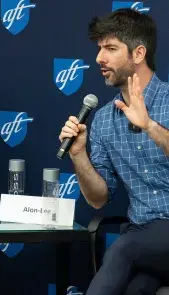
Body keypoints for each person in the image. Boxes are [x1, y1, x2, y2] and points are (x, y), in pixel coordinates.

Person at [59, 8, 169, 295]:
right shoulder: (105, 119)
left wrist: (149, 126)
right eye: (99, 49)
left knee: (123, 250)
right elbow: (99, 199)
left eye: (110, 48)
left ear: (138, 53)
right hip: (145, 237)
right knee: (138, 287)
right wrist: (78, 154)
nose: (99, 59)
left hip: (138, 243)